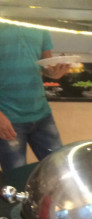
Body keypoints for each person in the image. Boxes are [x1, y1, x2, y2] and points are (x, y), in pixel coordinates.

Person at [0, 22, 71, 173]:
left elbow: (46, 66)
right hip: (8, 117)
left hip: (42, 114)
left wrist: (55, 72)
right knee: (17, 179)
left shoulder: (38, 21)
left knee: (60, 172)